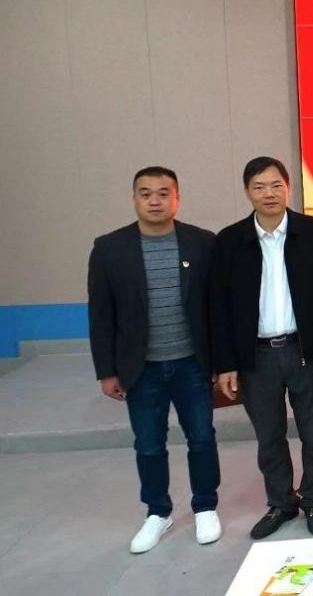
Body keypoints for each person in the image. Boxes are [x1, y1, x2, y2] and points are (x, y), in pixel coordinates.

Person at [87, 167, 221, 553]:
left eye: (164, 193)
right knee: (148, 444)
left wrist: (220, 361)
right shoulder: (109, 248)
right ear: (134, 199)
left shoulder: (202, 243)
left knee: (201, 438)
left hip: (192, 363)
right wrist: (106, 371)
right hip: (141, 367)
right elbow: (100, 315)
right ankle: (158, 512)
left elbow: (216, 308)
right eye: (145, 194)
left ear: (177, 198)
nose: (155, 201)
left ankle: (205, 506)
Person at [213, 157, 313, 539]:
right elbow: (219, 307)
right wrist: (226, 363)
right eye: (259, 186)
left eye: (275, 185)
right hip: (257, 357)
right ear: (247, 192)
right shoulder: (229, 240)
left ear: (288, 187)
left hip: (305, 351)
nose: (268, 193)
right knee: (269, 436)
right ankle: (281, 503)